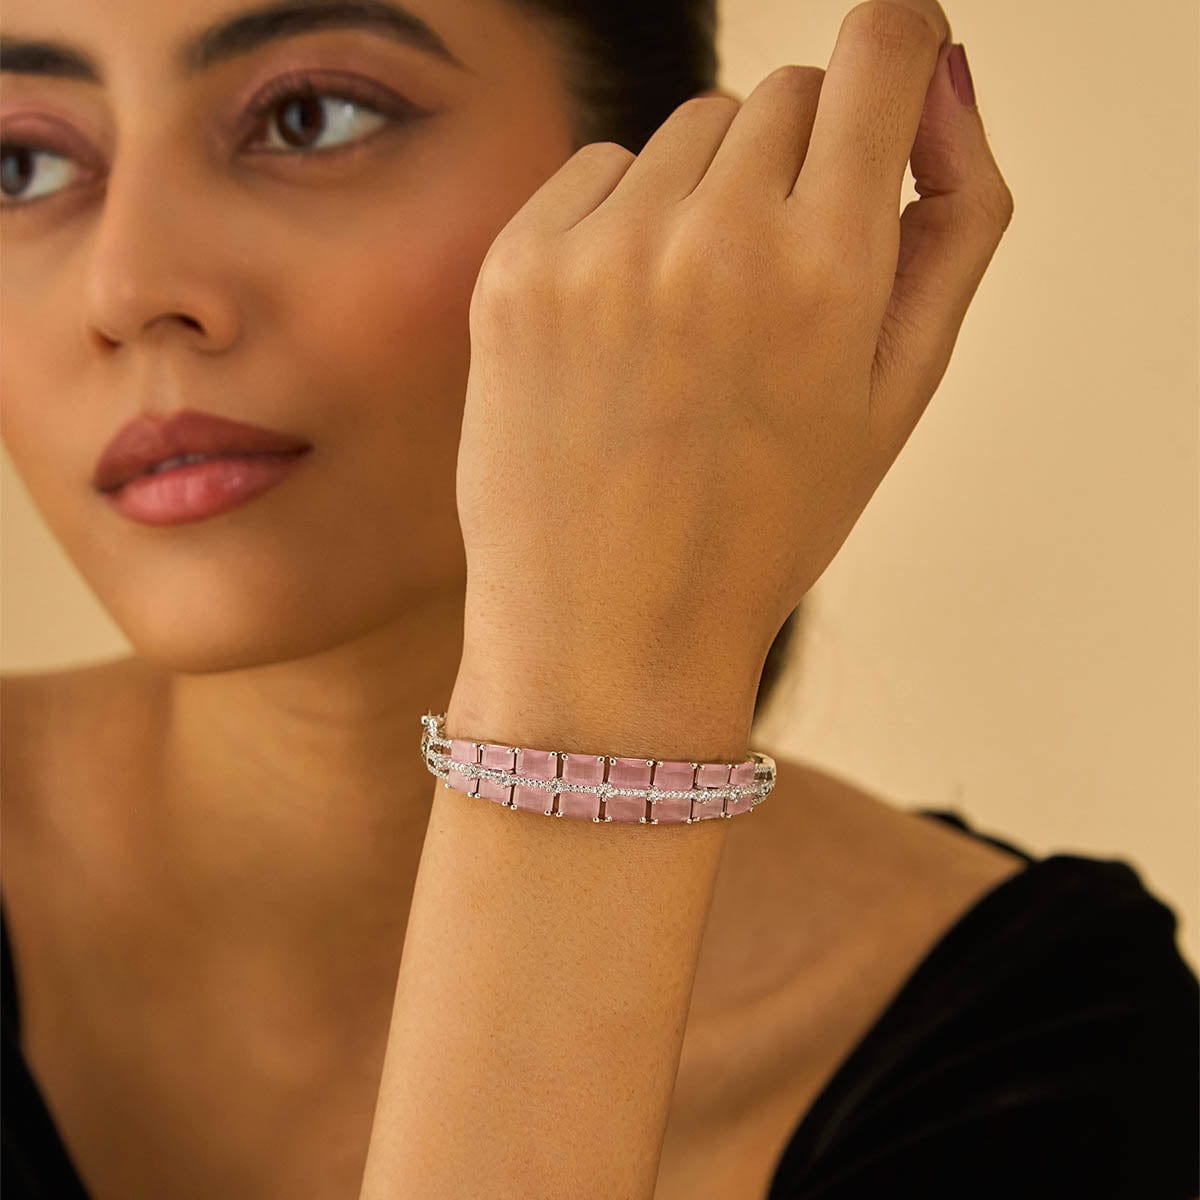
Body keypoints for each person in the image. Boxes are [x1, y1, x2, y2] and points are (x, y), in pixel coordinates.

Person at [1, 0, 1196, 1197]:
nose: (128, 286)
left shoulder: (1041, 1055)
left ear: (673, 185)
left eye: (310, 118)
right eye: (22, 164)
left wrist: (601, 701)